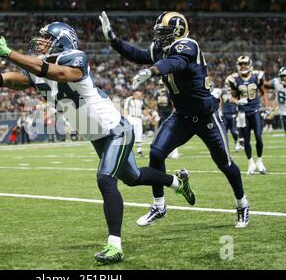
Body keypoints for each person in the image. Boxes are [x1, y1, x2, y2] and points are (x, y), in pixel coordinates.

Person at [0, 21, 195, 265]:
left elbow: (58, 72)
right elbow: (4, 79)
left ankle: (115, 245)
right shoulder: (36, 67)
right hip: (96, 134)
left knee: (106, 179)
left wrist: (9, 52)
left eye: (47, 38)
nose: (40, 42)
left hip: (115, 128)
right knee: (133, 176)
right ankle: (176, 182)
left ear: (61, 41)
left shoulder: (75, 58)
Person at [99, 11, 249, 228]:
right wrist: (113, 40)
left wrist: (151, 71)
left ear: (178, 31)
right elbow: (137, 54)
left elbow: (176, 63)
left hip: (206, 115)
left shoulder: (188, 45)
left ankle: (242, 204)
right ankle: (159, 205)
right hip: (181, 116)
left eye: (165, 32)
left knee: (224, 163)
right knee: (156, 153)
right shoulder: (161, 49)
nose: (160, 37)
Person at [225, 56, 268, 175]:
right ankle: (251, 162)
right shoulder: (234, 79)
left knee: (259, 136)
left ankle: (260, 161)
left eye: (245, 63)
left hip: (255, 111)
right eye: (241, 64)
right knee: (246, 140)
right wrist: (237, 101)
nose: (243, 66)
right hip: (243, 113)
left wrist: (265, 106)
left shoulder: (257, 76)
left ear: (249, 64)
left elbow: (263, 92)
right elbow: (230, 96)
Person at [124, 90, 144, 157]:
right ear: (135, 92)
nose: (141, 93)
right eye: (140, 92)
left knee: (139, 134)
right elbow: (125, 109)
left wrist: (150, 116)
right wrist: (126, 119)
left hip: (139, 118)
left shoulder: (141, 101)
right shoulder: (129, 99)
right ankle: (129, 151)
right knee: (131, 134)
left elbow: (143, 110)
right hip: (131, 118)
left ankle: (139, 151)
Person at [268, 67, 286, 135]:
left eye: (285, 76)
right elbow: (265, 84)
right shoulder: (276, 82)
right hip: (283, 113)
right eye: (282, 76)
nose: (283, 78)